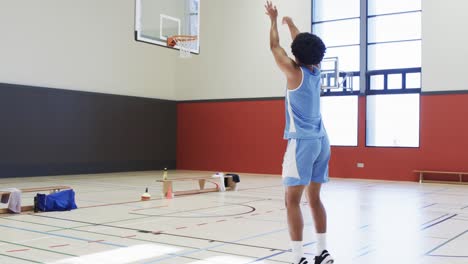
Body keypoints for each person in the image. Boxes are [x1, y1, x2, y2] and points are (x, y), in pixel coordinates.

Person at [264, 2, 333, 264]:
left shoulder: (293, 73)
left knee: (291, 201)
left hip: (302, 143)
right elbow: (303, 45)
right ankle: (323, 252)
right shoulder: (316, 70)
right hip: (322, 141)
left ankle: (297, 258)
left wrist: (274, 20)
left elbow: (274, 47)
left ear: (296, 56)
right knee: (314, 198)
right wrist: (292, 26)